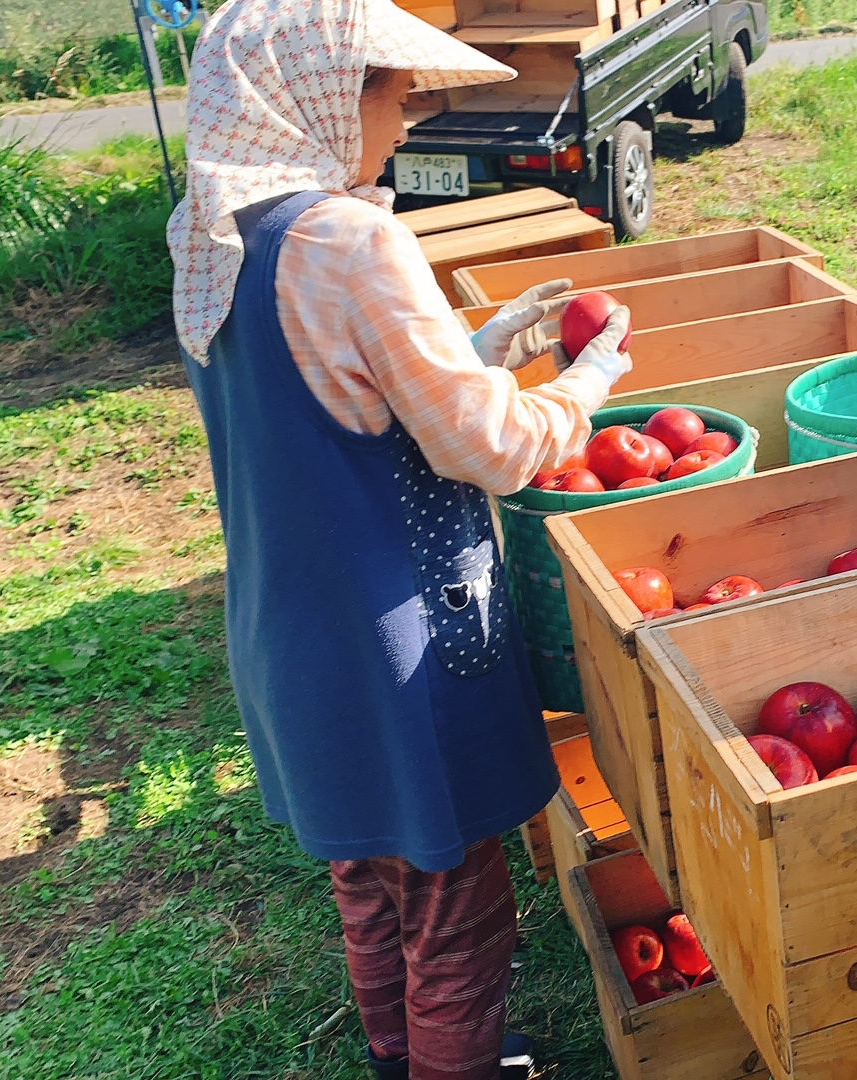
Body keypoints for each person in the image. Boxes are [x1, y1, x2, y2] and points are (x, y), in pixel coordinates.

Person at [166, 1, 632, 1076]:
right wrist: (590, 377)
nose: (406, 122)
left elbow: (334, 390)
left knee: (374, 886)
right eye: (393, 93)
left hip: (293, 633)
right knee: (457, 910)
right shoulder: (350, 237)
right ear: (323, 96)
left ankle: (398, 1058)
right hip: (400, 640)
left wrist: (479, 344)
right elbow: (494, 451)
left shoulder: (215, 230)